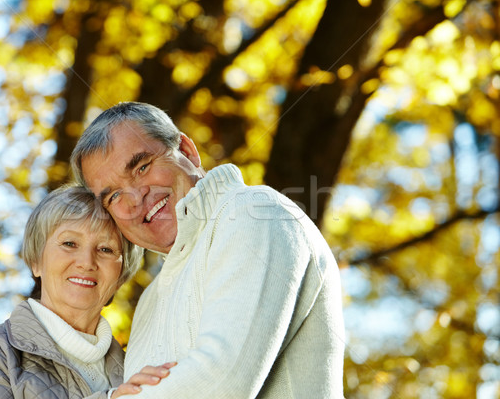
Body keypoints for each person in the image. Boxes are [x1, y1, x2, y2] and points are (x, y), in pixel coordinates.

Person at [70, 102, 345, 398]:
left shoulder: (253, 213)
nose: (136, 198)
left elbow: (222, 384)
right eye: (114, 196)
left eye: (142, 167)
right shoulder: (152, 299)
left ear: (187, 151)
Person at [0, 184, 174, 399]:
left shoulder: (139, 366)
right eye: (69, 244)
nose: (86, 262)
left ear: (120, 277)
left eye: (105, 249)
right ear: (36, 261)